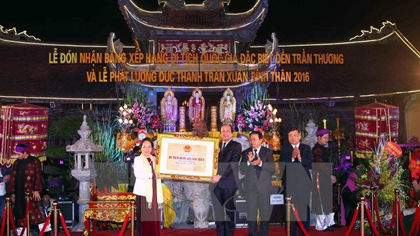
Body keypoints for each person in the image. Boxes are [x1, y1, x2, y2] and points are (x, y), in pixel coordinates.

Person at [240, 131, 275, 236]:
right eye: (250, 139)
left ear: (261, 140)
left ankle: (264, 234)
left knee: (265, 213)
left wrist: (260, 163)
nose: (252, 142)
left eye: (254, 139)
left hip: (264, 188)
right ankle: (253, 233)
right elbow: (241, 169)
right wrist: (247, 162)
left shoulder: (267, 152)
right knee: (251, 214)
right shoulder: (246, 152)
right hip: (250, 188)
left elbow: (272, 168)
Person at [210, 124, 242, 236]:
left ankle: (229, 234)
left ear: (232, 133)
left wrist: (220, 175)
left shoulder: (236, 146)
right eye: (223, 131)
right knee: (218, 212)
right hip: (215, 184)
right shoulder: (215, 145)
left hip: (229, 183)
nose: (225, 133)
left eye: (228, 131)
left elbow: (233, 163)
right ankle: (220, 233)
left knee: (229, 211)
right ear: (220, 133)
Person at [280, 128, 313, 236]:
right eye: (290, 135)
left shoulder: (306, 148)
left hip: (304, 183)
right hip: (290, 184)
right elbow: (281, 165)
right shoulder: (285, 149)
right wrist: (292, 158)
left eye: (295, 135)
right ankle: (291, 232)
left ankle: (304, 232)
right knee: (290, 210)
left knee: (304, 209)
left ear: (299, 136)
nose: (292, 137)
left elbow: (311, 163)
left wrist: (300, 158)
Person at [7, 142, 44, 229]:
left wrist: (36, 190)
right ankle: (22, 231)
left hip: (31, 190)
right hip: (19, 191)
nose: (18, 156)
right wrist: (12, 192)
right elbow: (13, 177)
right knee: (20, 211)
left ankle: (44, 229)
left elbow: (38, 176)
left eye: (19, 154)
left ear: (25, 153)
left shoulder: (34, 161)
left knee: (36, 210)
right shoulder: (16, 163)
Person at [133, 138, 163, 236]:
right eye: (144, 147)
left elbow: (160, 172)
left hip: (155, 192)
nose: (147, 149)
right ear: (141, 148)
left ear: (152, 148)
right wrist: (152, 175)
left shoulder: (155, 159)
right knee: (144, 217)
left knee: (154, 216)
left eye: (149, 146)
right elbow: (138, 174)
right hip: (143, 192)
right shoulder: (138, 159)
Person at [311, 129, 337, 231]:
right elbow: (320, 165)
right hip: (319, 178)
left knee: (328, 199)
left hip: (325, 177)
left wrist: (330, 175)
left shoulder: (323, 148)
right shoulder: (316, 149)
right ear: (319, 138)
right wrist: (329, 176)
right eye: (325, 138)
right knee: (321, 200)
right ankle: (321, 225)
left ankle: (330, 222)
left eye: (328, 138)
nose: (327, 140)